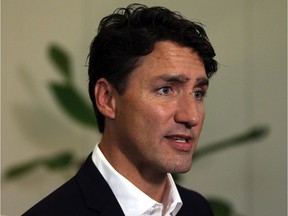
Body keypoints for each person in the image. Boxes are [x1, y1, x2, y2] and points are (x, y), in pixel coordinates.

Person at [23, 3, 218, 216]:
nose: (191, 116)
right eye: (165, 90)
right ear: (107, 99)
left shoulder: (197, 208)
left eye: (198, 93)